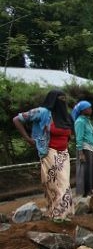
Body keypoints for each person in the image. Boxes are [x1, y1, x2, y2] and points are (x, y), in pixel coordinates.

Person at [13, 90, 74, 223]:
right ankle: (56, 214)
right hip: (49, 152)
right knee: (52, 185)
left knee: (64, 185)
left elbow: (69, 134)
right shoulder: (42, 112)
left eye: (64, 99)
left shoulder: (66, 116)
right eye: (60, 99)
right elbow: (17, 119)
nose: (63, 102)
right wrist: (28, 139)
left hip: (64, 154)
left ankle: (62, 214)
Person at [72, 100, 93, 197]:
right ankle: (84, 194)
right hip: (84, 149)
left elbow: (91, 136)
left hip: (90, 148)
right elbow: (79, 138)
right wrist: (81, 153)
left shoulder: (87, 121)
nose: (91, 110)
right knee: (85, 171)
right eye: (89, 108)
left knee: (91, 171)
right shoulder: (79, 122)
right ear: (83, 110)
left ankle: (90, 191)